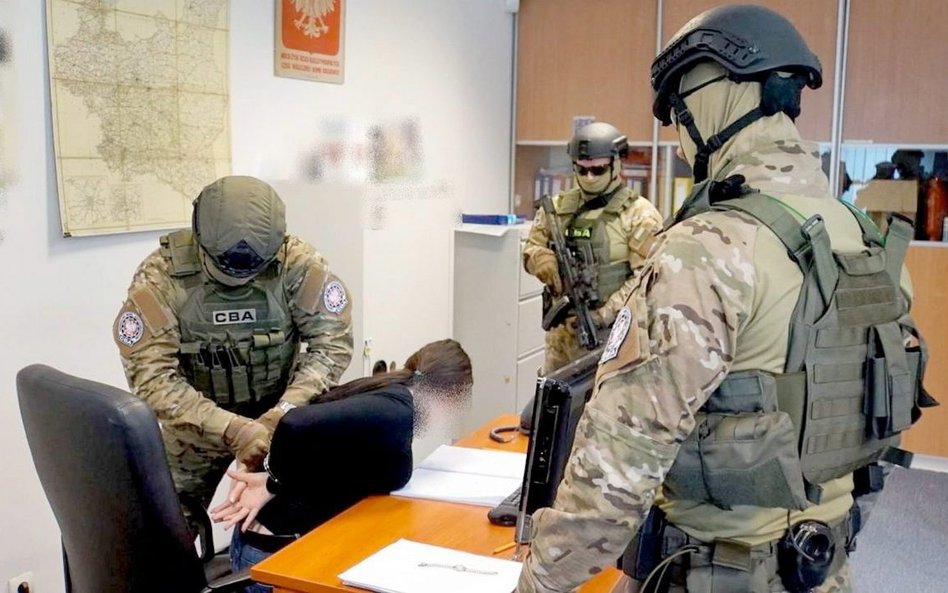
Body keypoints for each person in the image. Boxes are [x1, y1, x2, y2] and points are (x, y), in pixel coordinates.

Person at [516, 5, 934, 593]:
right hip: (825, 569)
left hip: (711, 574)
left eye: (679, 115)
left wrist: (538, 581)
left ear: (709, 102)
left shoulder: (707, 249)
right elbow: (876, 422)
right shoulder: (864, 237)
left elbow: (615, 473)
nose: (681, 138)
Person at [113, 175, 354, 533]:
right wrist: (232, 429)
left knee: (304, 526)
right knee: (156, 532)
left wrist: (279, 416)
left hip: (280, 422)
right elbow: (152, 378)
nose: (239, 277)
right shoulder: (162, 277)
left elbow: (331, 346)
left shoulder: (297, 264)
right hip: (196, 427)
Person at [209, 339, 473, 592]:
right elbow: (295, 423)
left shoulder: (390, 395)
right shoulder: (394, 411)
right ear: (448, 396)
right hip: (275, 555)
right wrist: (272, 482)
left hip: (298, 542)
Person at [523, 121, 663, 374]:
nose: (589, 177)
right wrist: (540, 259)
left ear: (616, 165)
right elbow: (532, 245)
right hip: (560, 340)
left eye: (598, 170)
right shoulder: (557, 207)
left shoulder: (639, 214)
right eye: (582, 169)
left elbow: (646, 280)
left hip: (612, 339)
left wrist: (603, 315)